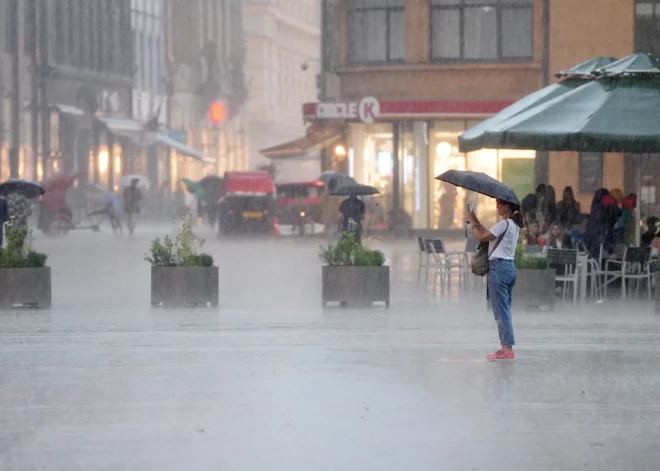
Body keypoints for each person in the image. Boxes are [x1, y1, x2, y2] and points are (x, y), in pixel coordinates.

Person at [468, 199, 524, 361]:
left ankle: (507, 349)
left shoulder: (504, 223)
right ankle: (505, 346)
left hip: (498, 269)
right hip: (509, 268)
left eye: (499, 204)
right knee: (504, 310)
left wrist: (472, 223)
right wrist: (476, 219)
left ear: (506, 206)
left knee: (501, 312)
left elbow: (482, 236)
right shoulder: (512, 226)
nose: (497, 206)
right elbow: (488, 233)